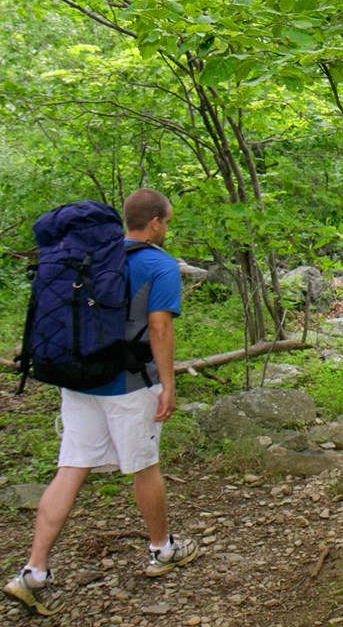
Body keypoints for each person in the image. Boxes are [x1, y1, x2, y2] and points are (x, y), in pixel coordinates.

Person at [3, 188, 198, 616]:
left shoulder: (86, 257)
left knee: (70, 468)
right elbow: (160, 329)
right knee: (145, 466)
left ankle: (33, 573)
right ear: (156, 223)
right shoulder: (157, 264)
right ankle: (162, 549)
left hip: (78, 384)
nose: (166, 227)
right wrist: (168, 384)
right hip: (128, 386)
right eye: (167, 221)